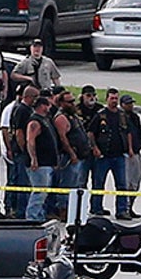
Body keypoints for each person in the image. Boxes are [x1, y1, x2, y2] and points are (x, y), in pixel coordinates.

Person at [87, 89, 131, 218]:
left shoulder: (122, 115)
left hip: (119, 156)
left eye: (116, 98)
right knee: (98, 183)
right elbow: (90, 132)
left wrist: (130, 149)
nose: (114, 101)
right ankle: (96, 208)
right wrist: (94, 148)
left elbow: (127, 132)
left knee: (122, 184)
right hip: (103, 156)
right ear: (106, 99)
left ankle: (122, 210)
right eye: (112, 98)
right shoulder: (100, 115)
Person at [52, 88, 92, 216]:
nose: (72, 104)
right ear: (62, 103)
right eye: (69, 102)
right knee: (67, 184)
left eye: (73, 101)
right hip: (69, 158)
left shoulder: (73, 116)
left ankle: (74, 209)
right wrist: (71, 154)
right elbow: (63, 138)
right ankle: (63, 209)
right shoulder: (61, 118)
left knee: (77, 184)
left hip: (81, 156)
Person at [5, 86, 39, 218]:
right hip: (21, 153)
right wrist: (25, 150)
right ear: (29, 97)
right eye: (35, 97)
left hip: (22, 153)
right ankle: (20, 212)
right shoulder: (22, 110)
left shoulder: (26, 109)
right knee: (23, 183)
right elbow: (19, 132)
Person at [26, 95, 60, 221]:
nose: (49, 108)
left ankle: (39, 216)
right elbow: (30, 140)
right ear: (42, 106)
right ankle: (32, 217)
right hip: (40, 164)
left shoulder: (45, 119)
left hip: (48, 163)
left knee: (44, 193)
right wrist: (33, 159)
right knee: (39, 193)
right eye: (48, 105)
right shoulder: (35, 121)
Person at [120, 95, 141, 218]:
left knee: (136, 181)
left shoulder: (135, 117)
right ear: (122, 104)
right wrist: (129, 149)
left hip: (136, 152)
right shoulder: (120, 117)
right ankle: (125, 208)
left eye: (131, 103)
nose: (130, 105)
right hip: (126, 154)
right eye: (127, 103)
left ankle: (131, 207)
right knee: (127, 183)